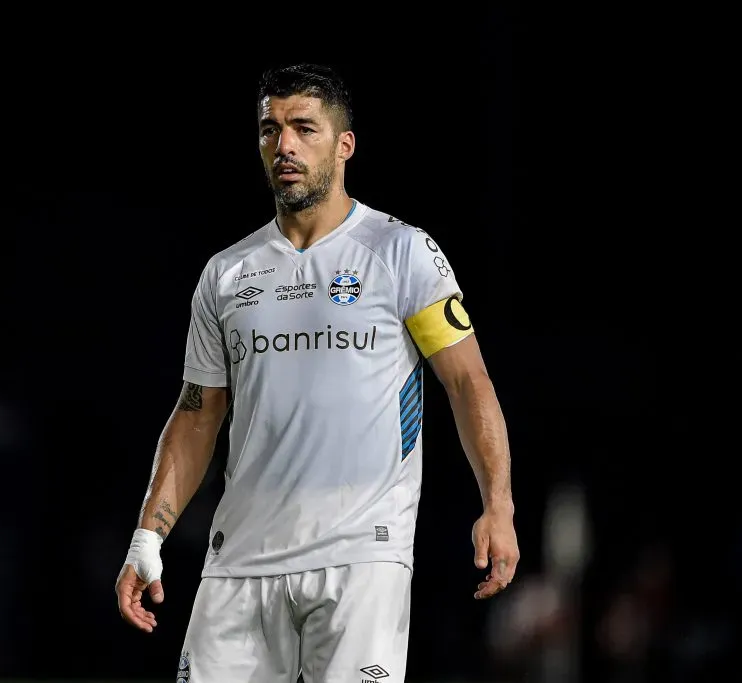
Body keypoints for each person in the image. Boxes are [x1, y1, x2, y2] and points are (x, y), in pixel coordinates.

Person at [115, 63, 519, 682]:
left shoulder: (402, 252)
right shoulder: (225, 275)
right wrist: (148, 538)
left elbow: (468, 384)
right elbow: (197, 415)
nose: (285, 145)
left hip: (361, 557)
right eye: (270, 129)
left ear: (344, 144)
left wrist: (498, 504)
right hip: (240, 562)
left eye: (304, 128)